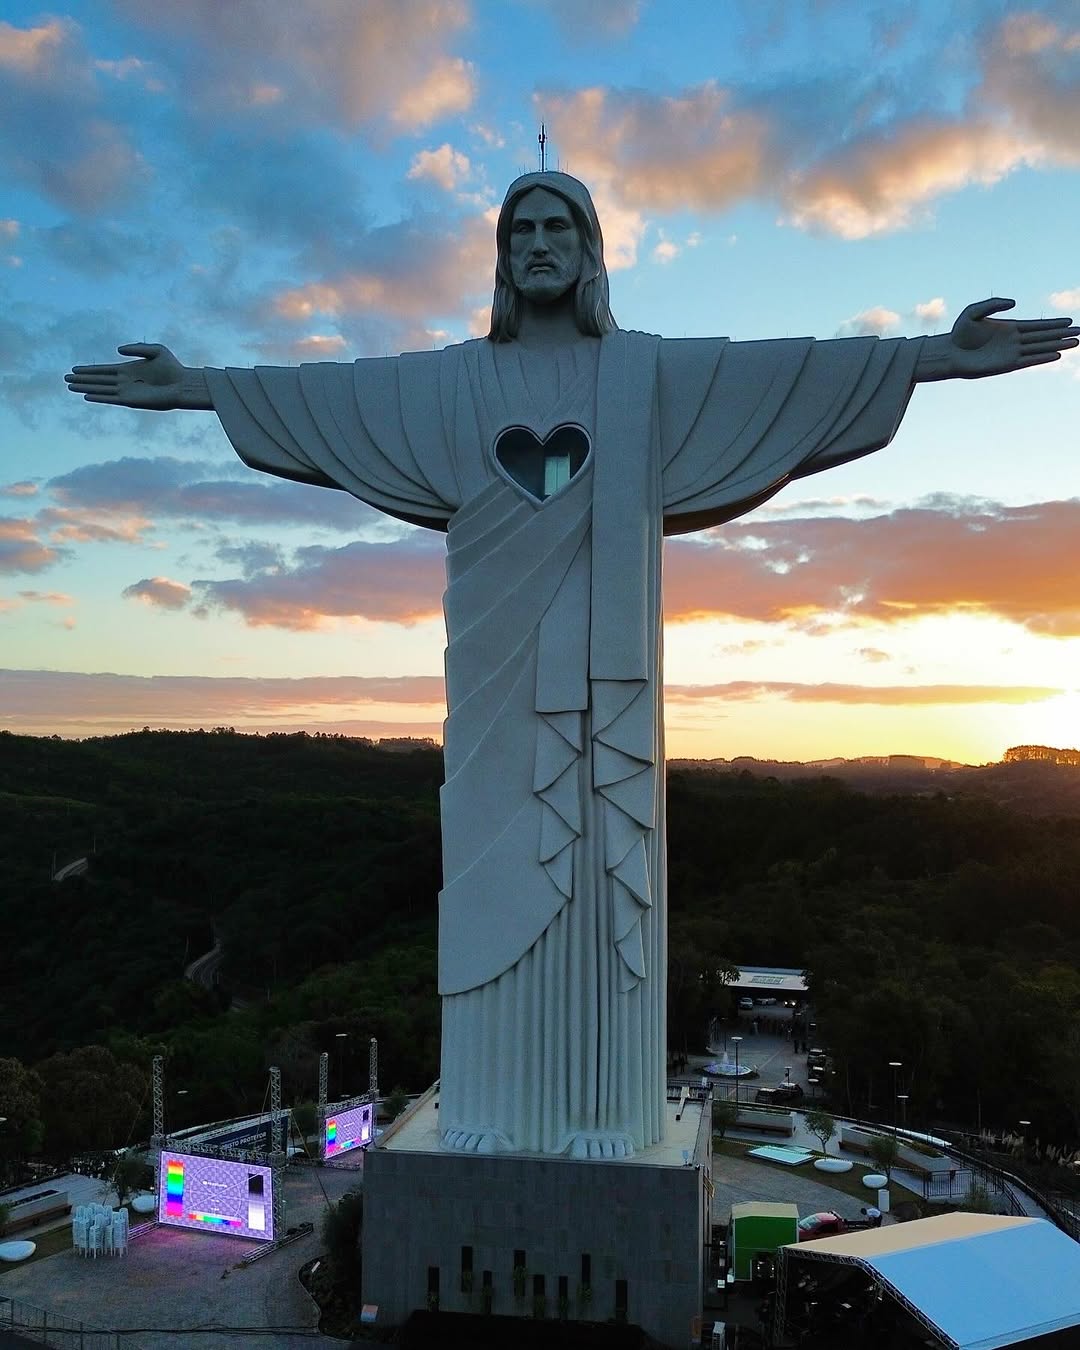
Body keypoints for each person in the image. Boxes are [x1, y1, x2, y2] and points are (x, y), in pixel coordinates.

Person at [65, 172, 1077, 1158]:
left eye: (560, 227)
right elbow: (336, 397)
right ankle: (491, 1110)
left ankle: (605, 1109)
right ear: (502, 256)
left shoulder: (643, 373)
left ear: (592, 252)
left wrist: (938, 357)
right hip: (495, 677)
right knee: (493, 865)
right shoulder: (454, 381)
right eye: (520, 230)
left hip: (608, 684)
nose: (539, 243)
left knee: (601, 870)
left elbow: (783, 374)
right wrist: (193, 387)